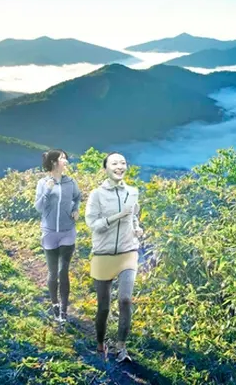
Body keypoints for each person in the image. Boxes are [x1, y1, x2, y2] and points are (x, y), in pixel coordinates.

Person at [84, 152, 144, 363]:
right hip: (103, 254)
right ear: (105, 168)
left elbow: (134, 217)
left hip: (128, 252)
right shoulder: (96, 195)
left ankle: (121, 347)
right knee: (103, 307)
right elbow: (93, 225)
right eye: (114, 163)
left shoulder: (133, 192)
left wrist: (137, 229)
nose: (120, 166)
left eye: (123, 163)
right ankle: (101, 344)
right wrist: (118, 216)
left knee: (125, 300)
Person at [34, 149, 82, 324]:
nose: (66, 161)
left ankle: (64, 310)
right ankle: (54, 304)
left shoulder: (71, 182)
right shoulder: (43, 183)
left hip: (68, 231)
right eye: (63, 158)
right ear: (54, 162)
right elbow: (38, 207)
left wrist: (76, 209)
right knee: (53, 272)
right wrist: (47, 191)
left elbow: (78, 197)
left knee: (64, 271)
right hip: (49, 232)